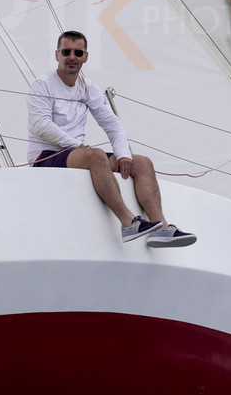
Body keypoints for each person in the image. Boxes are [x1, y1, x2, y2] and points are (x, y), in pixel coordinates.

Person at [28, 30, 195, 247]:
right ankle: (128, 223)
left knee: (142, 163)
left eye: (78, 52)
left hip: (78, 154)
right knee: (95, 156)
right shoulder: (42, 84)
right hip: (46, 156)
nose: (72, 57)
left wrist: (123, 154)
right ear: (57, 54)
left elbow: (112, 123)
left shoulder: (88, 87)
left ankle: (161, 228)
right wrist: (78, 146)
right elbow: (41, 126)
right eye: (66, 51)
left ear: (85, 57)